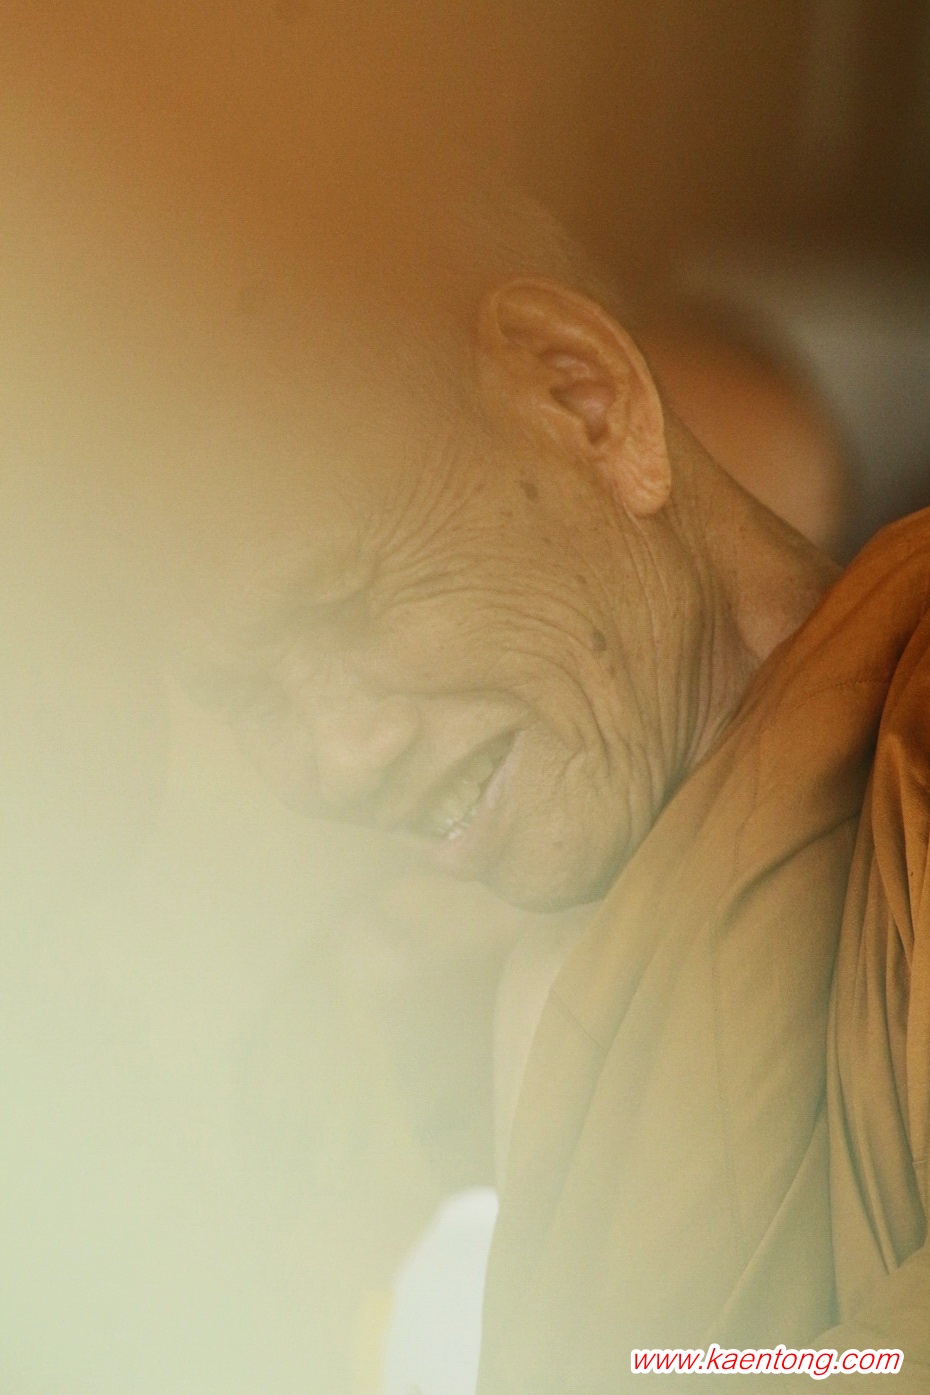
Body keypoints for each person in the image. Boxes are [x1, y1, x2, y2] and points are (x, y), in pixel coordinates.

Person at [171, 195, 930, 1391]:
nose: (337, 761)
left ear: (586, 403)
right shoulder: (558, 1007)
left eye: (342, 601)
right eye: (252, 697)